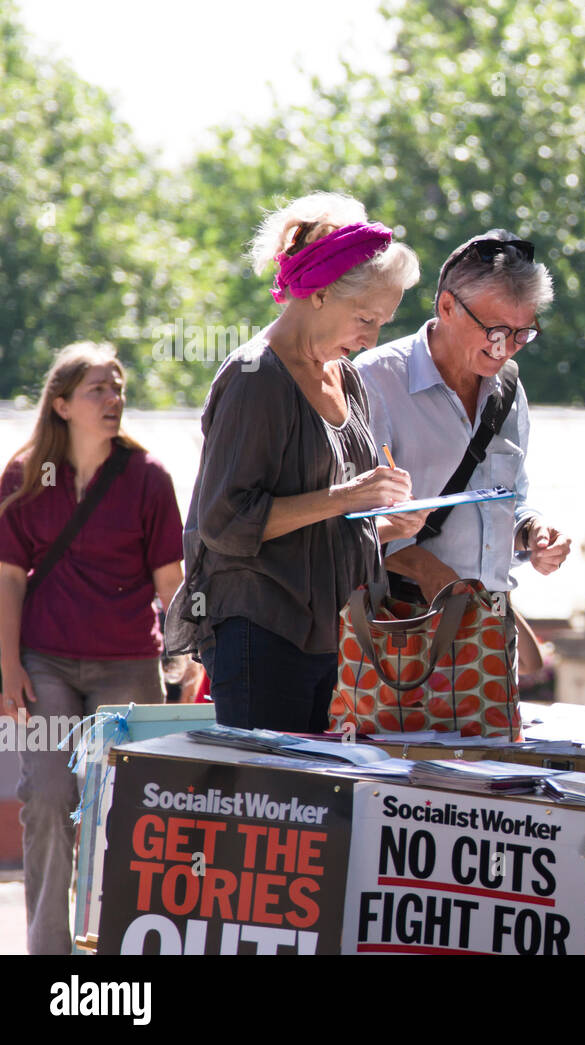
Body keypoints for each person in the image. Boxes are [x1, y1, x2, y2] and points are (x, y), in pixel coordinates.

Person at [167, 192, 424, 733]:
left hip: (337, 635)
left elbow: (326, 518)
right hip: (262, 632)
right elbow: (225, 521)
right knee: (272, 805)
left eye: (383, 323)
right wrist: (353, 496)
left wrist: (381, 522)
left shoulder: (345, 377)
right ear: (319, 295)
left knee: (329, 810)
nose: (372, 338)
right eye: (365, 318)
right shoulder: (256, 376)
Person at [0, 343, 184, 954]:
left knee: (131, 809)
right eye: (97, 390)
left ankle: (122, 949)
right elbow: (6, 578)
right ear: (61, 405)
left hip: (128, 662)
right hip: (44, 661)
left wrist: (190, 647)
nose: (114, 399)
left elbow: (169, 581)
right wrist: (6, 668)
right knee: (47, 797)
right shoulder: (25, 477)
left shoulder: (147, 477)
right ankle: (49, 956)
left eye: (118, 387)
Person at [356, 229, 571, 658]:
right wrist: (426, 569)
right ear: (447, 306)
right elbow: (351, 518)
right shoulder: (375, 379)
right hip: (400, 628)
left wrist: (532, 533)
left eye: (521, 333)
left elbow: (508, 499)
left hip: (488, 632)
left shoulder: (508, 387)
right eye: (493, 329)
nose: (504, 347)